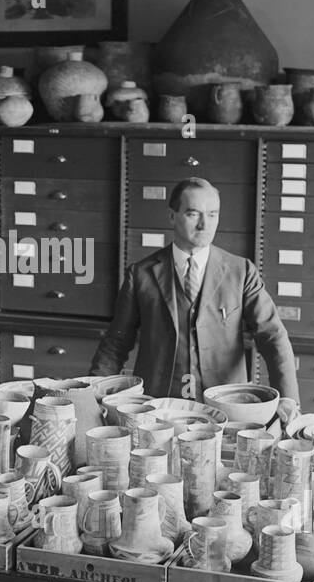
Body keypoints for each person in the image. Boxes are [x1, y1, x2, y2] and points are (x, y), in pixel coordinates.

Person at [90, 176, 300, 423]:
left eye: (212, 214)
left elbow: (272, 335)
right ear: (172, 216)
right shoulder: (141, 274)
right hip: (158, 409)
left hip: (227, 409)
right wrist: (91, 396)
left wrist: (287, 397)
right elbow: (116, 343)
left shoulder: (241, 271)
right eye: (193, 214)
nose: (204, 224)